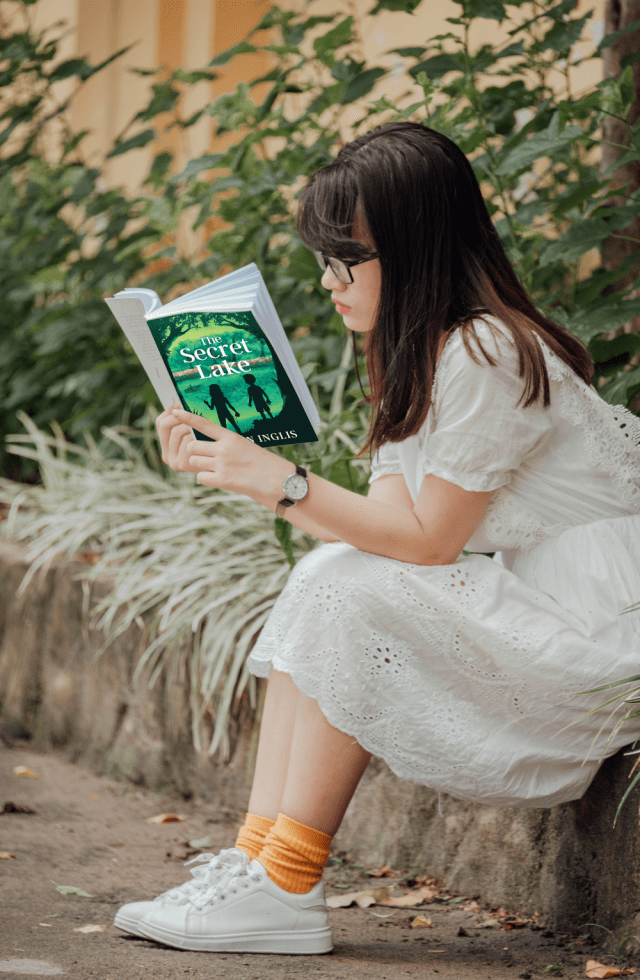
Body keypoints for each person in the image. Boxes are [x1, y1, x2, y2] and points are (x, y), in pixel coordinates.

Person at [114, 122, 640, 955]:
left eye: (343, 259)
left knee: (345, 584)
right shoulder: (422, 357)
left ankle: (287, 880)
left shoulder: (489, 350)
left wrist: (281, 484)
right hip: (552, 609)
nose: (328, 282)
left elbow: (428, 542)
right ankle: (258, 866)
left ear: (414, 244)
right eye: (323, 262)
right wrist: (243, 466)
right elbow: (389, 529)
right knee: (332, 571)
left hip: (609, 637)